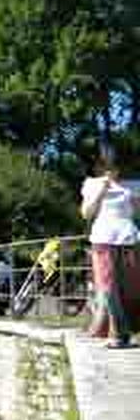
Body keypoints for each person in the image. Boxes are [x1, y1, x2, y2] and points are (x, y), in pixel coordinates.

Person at [81, 146, 139, 348]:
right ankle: (116, 333)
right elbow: (87, 213)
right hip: (102, 238)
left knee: (129, 289)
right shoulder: (91, 184)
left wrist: (135, 200)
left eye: (113, 166)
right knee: (107, 287)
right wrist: (101, 191)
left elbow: (136, 213)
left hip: (128, 238)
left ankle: (125, 332)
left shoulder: (130, 186)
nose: (110, 170)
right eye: (105, 165)